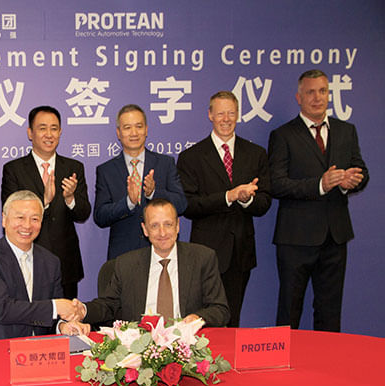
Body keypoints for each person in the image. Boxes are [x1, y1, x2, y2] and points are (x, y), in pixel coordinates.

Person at [268, 69, 368, 332]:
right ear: (299, 97)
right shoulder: (283, 135)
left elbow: (362, 172)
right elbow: (277, 184)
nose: (317, 98)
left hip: (335, 237)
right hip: (295, 239)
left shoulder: (346, 131)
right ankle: (284, 358)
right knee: (289, 310)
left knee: (330, 311)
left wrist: (351, 181)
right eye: (310, 92)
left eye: (322, 91)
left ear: (329, 94)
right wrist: (320, 184)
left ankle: (328, 357)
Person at [176, 91, 271, 327]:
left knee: (232, 319)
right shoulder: (191, 157)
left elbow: (264, 202)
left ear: (238, 114)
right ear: (210, 115)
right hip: (205, 253)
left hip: (240, 252)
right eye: (220, 114)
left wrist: (246, 199)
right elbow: (188, 205)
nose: (226, 119)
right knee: (203, 323)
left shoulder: (256, 154)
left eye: (231, 113)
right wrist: (229, 196)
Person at [69, 199, 229, 329]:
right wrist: (84, 310)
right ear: (145, 230)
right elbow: (108, 305)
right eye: (154, 226)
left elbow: (220, 309)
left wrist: (198, 318)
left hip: (187, 344)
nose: (162, 232)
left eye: (168, 224)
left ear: (177, 226)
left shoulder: (202, 259)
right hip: (139, 345)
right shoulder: (126, 264)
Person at [0, 191, 84, 342]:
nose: (27, 225)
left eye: (34, 219)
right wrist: (56, 307)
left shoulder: (51, 261)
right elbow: (3, 310)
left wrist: (62, 326)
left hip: (38, 348)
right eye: (20, 218)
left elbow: (50, 316)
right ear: (4, 219)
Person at [1, 106, 91, 299]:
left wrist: (70, 198)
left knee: (65, 316)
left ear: (60, 132)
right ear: (30, 133)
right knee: (30, 315)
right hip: (26, 259)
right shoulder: (14, 169)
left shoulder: (74, 167)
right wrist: (43, 202)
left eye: (54, 128)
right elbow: (10, 214)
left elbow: (83, 213)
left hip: (65, 262)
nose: (49, 134)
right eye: (42, 128)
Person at [94, 104, 187, 260]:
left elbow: (181, 204)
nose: (134, 133)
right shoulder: (106, 170)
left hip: (162, 251)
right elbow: (100, 216)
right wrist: (128, 202)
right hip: (124, 255)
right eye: (127, 128)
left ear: (146, 130)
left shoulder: (165, 163)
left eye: (139, 126)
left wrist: (153, 193)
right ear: (119, 133)